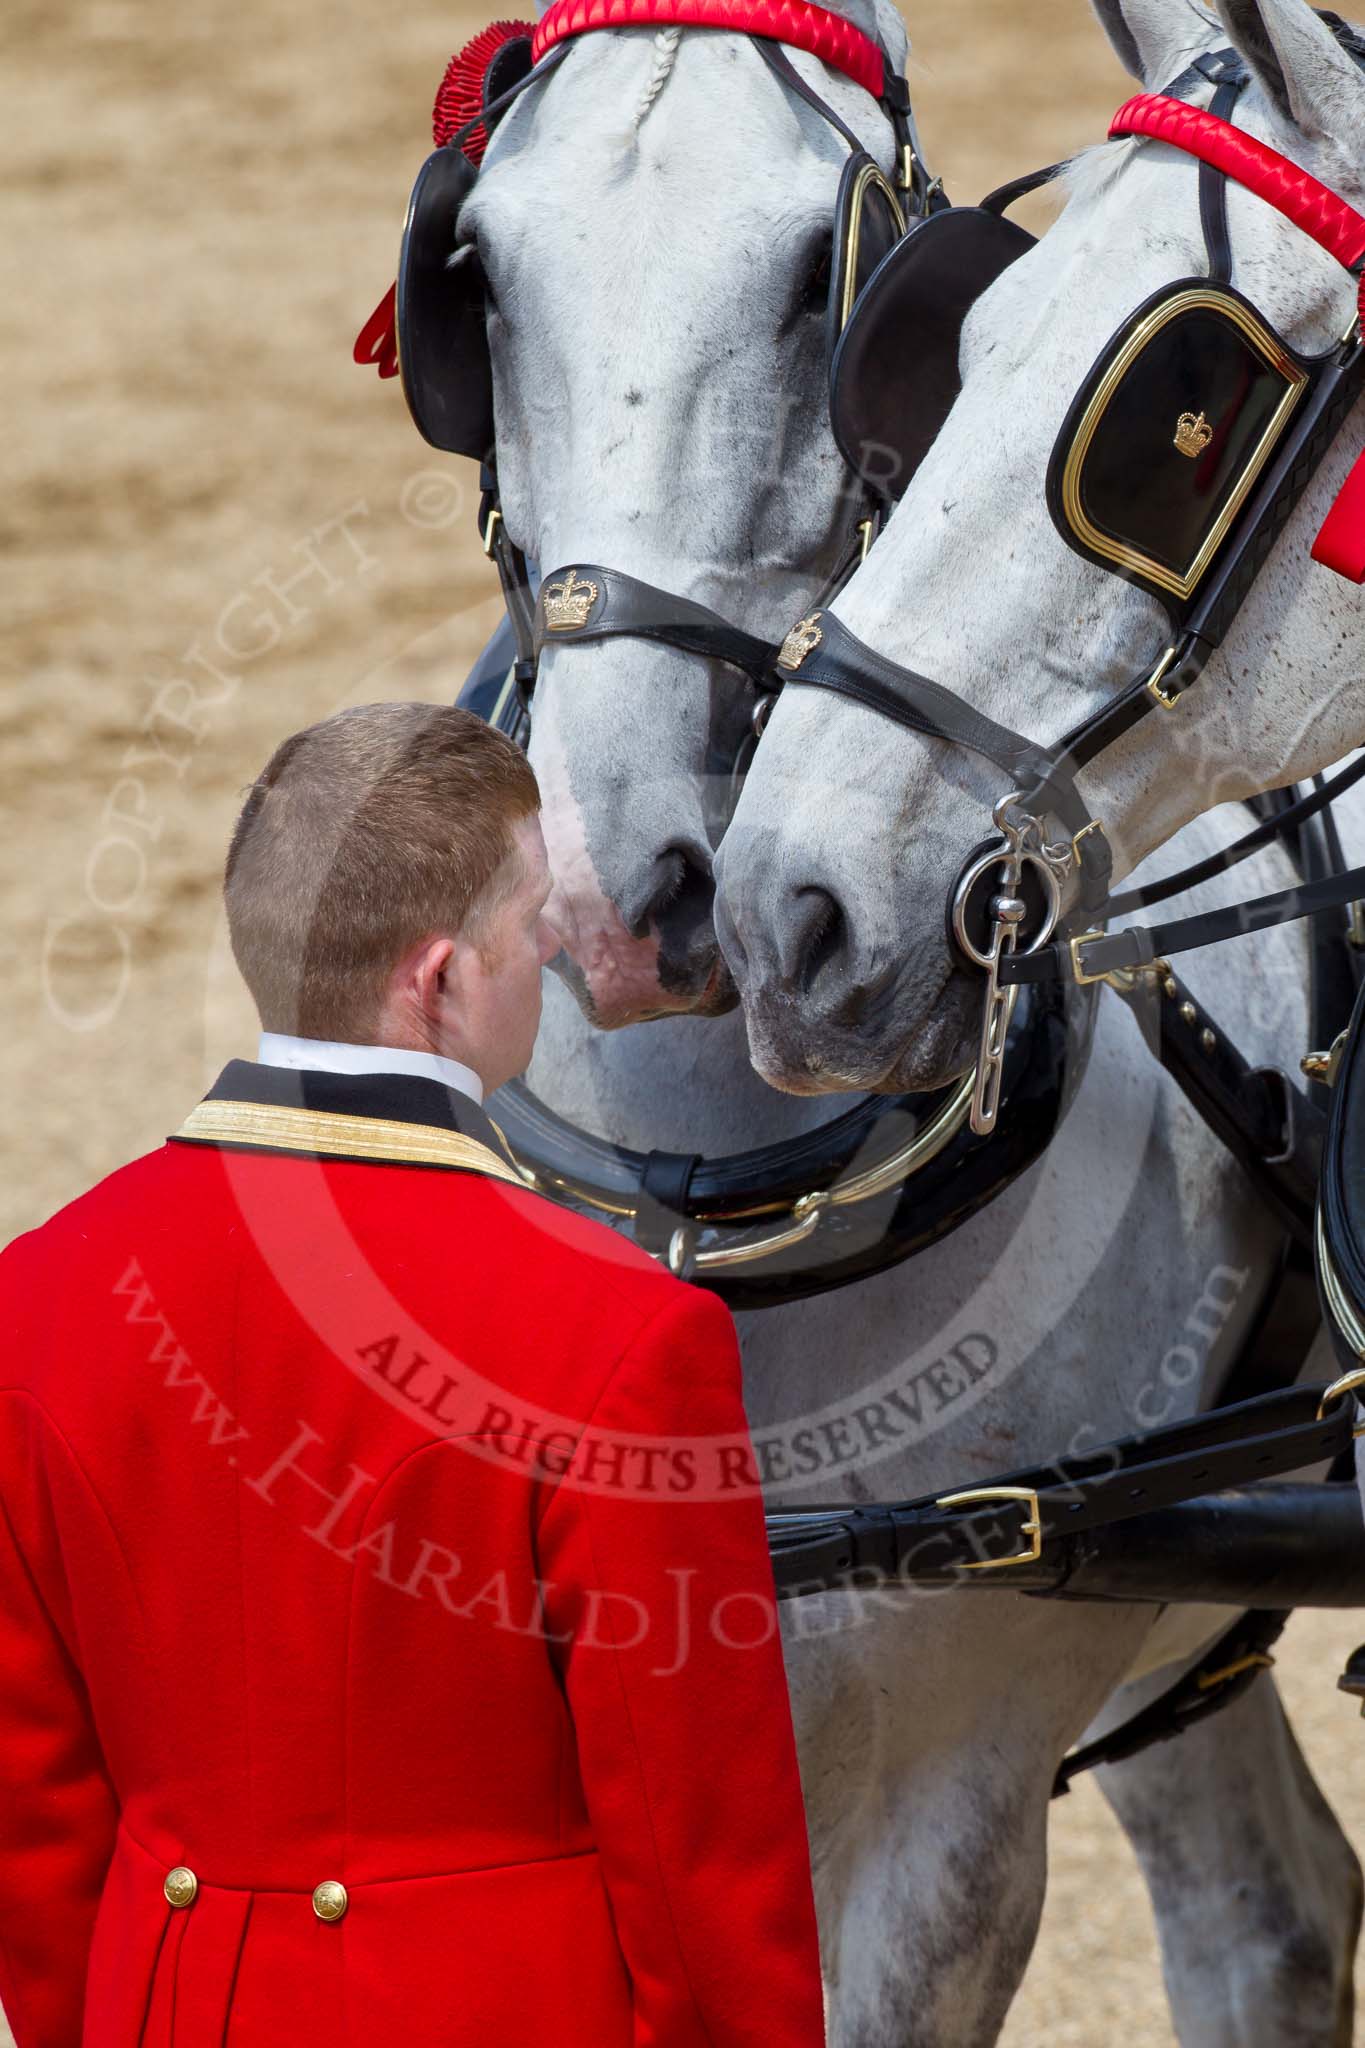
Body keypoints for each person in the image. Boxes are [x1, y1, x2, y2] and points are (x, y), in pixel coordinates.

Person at [0, 702, 827, 2045]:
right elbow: (696, 1859)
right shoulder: (623, 1338)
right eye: (530, 924)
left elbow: (35, 1825)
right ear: (438, 979)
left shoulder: (31, 1298)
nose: (557, 947)